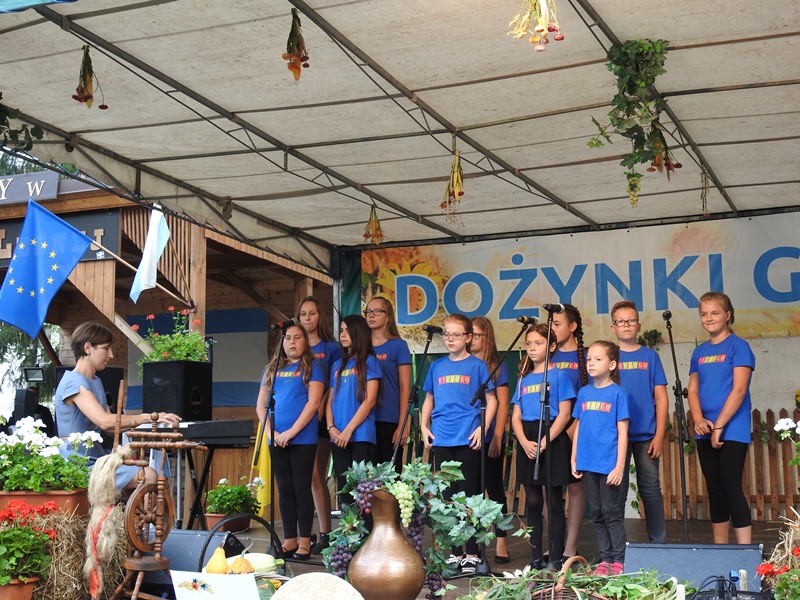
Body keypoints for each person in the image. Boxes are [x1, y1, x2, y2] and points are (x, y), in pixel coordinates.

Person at [54, 321, 181, 493]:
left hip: (95, 459)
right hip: (76, 463)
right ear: (88, 348)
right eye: (106, 348)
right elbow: (105, 421)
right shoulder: (74, 382)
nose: (111, 355)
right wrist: (148, 417)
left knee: (152, 474)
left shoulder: (95, 381)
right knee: (149, 475)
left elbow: (111, 429)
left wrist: (153, 427)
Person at [420, 313, 497, 574]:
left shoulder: (477, 366)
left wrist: (482, 428)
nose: (450, 339)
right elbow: (428, 399)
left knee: (469, 495)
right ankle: (455, 551)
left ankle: (472, 553)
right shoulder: (437, 367)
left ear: (468, 337)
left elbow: (492, 400)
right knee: (448, 496)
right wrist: (424, 426)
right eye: (446, 334)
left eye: (456, 334)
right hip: (442, 438)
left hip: (467, 438)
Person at [687, 291, 755, 544]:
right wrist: (698, 419)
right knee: (714, 488)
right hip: (705, 428)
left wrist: (720, 426)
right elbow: (693, 390)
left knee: (730, 484)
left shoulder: (739, 346)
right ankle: (721, 550)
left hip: (732, 427)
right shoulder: (699, 351)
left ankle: (745, 551)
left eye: (715, 313)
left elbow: (739, 390)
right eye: (704, 314)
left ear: (728, 315)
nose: (709, 318)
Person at [256, 324, 326, 560]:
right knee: (284, 488)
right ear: (282, 342)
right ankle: (289, 539)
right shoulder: (272, 369)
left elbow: (313, 403)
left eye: (297, 338)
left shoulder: (313, 367)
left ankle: (305, 540)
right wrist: (271, 433)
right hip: (275, 438)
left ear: (305, 341)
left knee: (301, 487)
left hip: (302, 438)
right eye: (288, 338)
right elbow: (260, 405)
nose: (292, 342)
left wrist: (291, 432)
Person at [512, 324, 575, 571]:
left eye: (538, 343)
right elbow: (515, 416)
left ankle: (556, 559)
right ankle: (536, 557)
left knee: (554, 501)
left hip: (552, 437)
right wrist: (524, 441)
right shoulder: (523, 379)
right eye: (528, 344)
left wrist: (545, 442)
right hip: (527, 439)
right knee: (533, 501)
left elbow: (565, 413)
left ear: (551, 346)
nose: (532, 348)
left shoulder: (560, 376)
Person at [610, 300, 668, 543]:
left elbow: (661, 398)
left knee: (651, 488)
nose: (626, 325)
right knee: (617, 491)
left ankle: (658, 543)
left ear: (638, 325)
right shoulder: (608, 357)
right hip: (616, 437)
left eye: (631, 320)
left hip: (646, 435)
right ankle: (617, 548)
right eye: (621, 321)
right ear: (613, 327)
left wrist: (659, 435)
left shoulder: (650, 356)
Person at [571, 340, 629, 576]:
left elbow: (623, 432)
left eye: (598, 359)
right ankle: (605, 559)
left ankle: (619, 560)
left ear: (612, 364)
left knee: (611, 512)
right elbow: (579, 426)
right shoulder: (584, 393)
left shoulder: (618, 394)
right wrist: (574, 458)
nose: (591, 363)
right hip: (588, 463)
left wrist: (619, 466)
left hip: (608, 465)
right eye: (589, 359)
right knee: (596, 513)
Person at [296, 296, 341, 555]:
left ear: (320, 316)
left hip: (322, 417)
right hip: (298, 419)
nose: (307, 318)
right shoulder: (295, 345)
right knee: (301, 476)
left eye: (312, 313)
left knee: (316, 473)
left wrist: (323, 405)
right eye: (303, 314)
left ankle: (326, 532)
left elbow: (334, 383)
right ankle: (303, 534)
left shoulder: (331, 347)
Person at [470, 316, 511, 564]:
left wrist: (497, 437)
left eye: (477, 335)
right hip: (470, 434)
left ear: (487, 337)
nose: (472, 339)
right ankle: (474, 542)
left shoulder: (496, 365)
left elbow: (503, 403)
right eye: (470, 334)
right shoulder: (466, 363)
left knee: (494, 488)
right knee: (473, 489)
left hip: (490, 434)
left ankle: (501, 540)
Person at [326, 315, 381, 494]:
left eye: (347, 331)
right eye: (341, 330)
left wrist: (349, 430)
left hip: (360, 435)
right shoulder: (337, 365)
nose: (342, 334)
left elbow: (370, 400)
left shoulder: (369, 361)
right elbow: (330, 400)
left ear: (358, 332)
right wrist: (331, 427)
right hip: (337, 435)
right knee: (344, 490)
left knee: (363, 491)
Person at [550, 304, 589, 557]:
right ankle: (553, 545)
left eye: (557, 324)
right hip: (551, 429)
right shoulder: (547, 355)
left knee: (576, 486)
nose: (553, 329)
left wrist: (575, 425)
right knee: (550, 488)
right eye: (551, 324)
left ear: (572, 326)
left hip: (575, 427)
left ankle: (570, 546)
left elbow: (591, 393)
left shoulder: (586, 356)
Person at [365, 296, 411, 471]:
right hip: (364, 420)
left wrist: (403, 424)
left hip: (389, 419)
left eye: (377, 311)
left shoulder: (398, 346)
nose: (371, 315)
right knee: (366, 479)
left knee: (390, 477)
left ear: (388, 316)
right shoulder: (362, 347)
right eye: (368, 311)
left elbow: (405, 386)